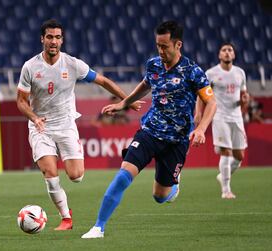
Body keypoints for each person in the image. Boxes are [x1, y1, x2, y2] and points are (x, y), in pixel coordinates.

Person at [81, 20, 217, 239]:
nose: (160, 51)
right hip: (150, 131)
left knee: (160, 196)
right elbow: (146, 84)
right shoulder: (153, 64)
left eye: (165, 46)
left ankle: (173, 185)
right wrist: (123, 103)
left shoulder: (193, 72)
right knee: (124, 174)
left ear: (178, 45)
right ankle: (98, 227)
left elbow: (211, 102)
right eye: (158, 46)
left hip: (177, 140)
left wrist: (201, 128)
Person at [16, 19, 141, 231]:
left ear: (62, 40)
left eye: (57, 37)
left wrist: (125, 100)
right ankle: (66, 218)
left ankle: (67, 201)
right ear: (42, 39)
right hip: (40, 127)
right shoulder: (30, 67)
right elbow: (20, 101)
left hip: (66, 125)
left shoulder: (73, 64)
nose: (53, 41)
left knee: (76, 176)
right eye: (49, 37)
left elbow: (103, 81)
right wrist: (34, 118)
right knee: (50, 172)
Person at [203, 42, 249, 199]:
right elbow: (201, 95)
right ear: (219, 55)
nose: (227, 52)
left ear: (234, 54)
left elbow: (243, 98)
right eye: (224, 50)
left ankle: (222, 176)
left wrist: (245, 101)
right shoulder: (211, 73)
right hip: (220, 116)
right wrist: (198, 114)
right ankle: (226, 190)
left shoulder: (240, 73)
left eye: (230, 50)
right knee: (226, 153)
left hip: (236, 117)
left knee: (239, 156)